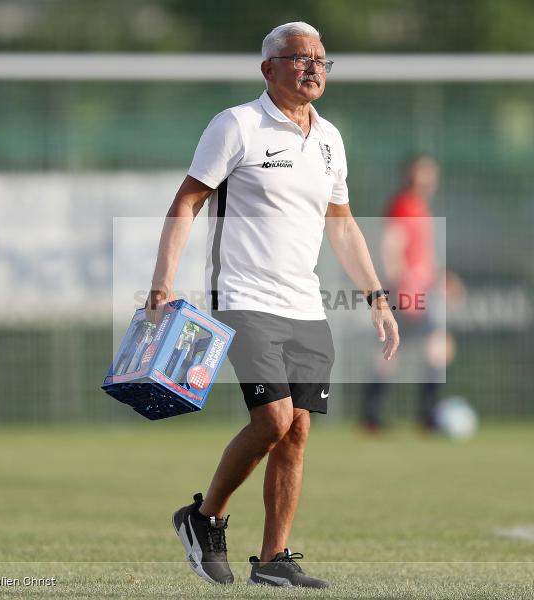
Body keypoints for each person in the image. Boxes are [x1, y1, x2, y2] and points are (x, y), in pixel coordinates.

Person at [144, 22, 399, 589]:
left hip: (305, 303)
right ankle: (204, 518)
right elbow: (186, 201)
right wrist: (163, 280)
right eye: (298, 58)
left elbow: (343, 225)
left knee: (298, 430)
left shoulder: (330, 138)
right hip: (243, 297)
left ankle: (273, 559)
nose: (312, 67)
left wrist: (378, 298)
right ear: (268, 69)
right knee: (274, 419)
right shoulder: (237, 125)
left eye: (321, 60)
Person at [360, 156, 462, 432]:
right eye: (422, 173)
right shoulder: (404, 204)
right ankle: (422, 416)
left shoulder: (420, 207)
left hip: (417, 291)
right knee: (429, 345)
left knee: (396, 350)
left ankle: (375, 416)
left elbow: (421, 257)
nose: (428, 179)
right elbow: (391, 247)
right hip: (406, 294)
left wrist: (440, 279)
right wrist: (399, 286)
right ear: (410, 175)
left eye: (431, 173)